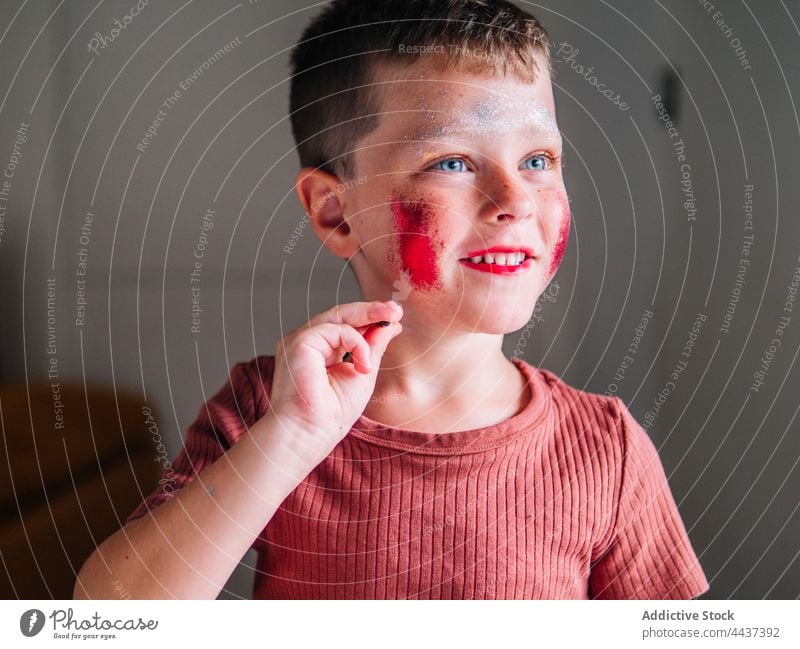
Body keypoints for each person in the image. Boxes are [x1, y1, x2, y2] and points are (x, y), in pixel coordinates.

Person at [74, 0, 709, 600]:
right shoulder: (272, 412)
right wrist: (292, 436)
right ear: (336, 213)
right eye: (453, 163)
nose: (514, 197)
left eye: (539, 158)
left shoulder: (606, 447)